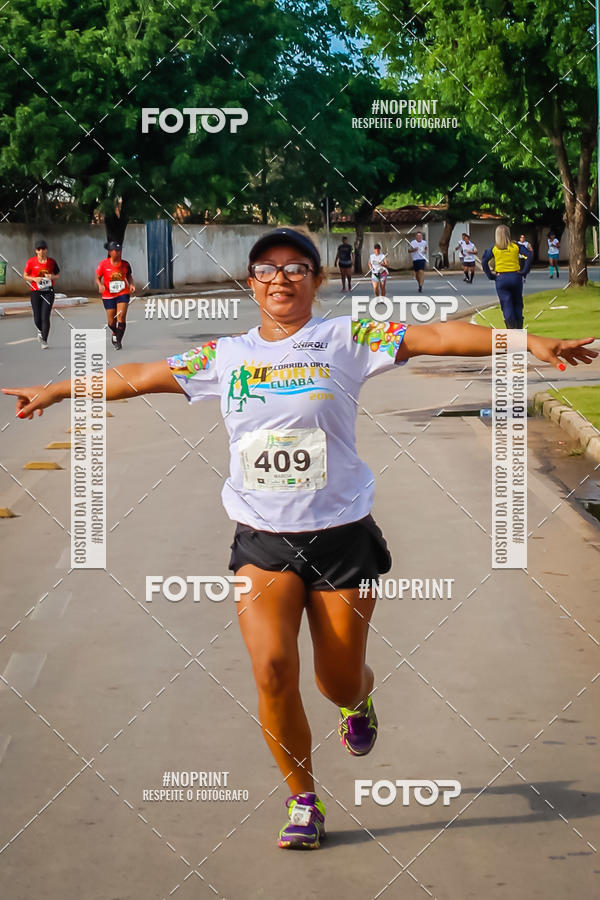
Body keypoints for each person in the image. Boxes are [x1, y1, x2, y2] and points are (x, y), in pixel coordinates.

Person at [4, 227, 597, 852]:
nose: (281, 277)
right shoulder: (224, 355)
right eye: (266, 268)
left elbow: (438, 336)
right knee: (272, 669)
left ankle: (357, 701)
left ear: (316, 280)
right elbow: (142, 374)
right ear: (252, 283)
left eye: (296, 267)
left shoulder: (348, 339)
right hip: (262, 541)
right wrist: (58, 389)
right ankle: (303, 800)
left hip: (343, 537)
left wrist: (526, 340)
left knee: (336, 680)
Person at [481, 225, 532, 329]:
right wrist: (524, 271)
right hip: (515, 276)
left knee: (506, 303)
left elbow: (484, 260)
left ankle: (510, 328)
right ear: (509, 234)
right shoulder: (516, 246)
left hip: (501, 278)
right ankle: (519, 328)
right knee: (517, 302)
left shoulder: (495, 248)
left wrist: (490, 275)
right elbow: (529, 255)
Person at [95, 241, 135, 349]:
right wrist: (100, 285)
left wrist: (131, 284)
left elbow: (129, 276)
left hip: (123, 293)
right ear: (110, 252)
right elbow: (97, 278)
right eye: (116, 251)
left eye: (120, 250)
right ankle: (114, 332)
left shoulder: (125, 264)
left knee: (121, 317)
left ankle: (118, 341)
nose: (118, 253)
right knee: (111, 322)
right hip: (108, 295)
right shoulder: (103, 264)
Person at [23, 240, 60, 349]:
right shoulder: (31, 262)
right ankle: (40, 330)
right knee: (37, 318)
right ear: (36, 251)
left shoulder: (52, 262)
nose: (41, 251)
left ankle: (44, 340)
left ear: (46, 250)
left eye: (43, 249)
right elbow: (25, 275)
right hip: (35, 291)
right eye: (39, 249)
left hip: (48, 292)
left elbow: (57, 275)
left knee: (45, 316)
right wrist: (34, 278)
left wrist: (51, 277)